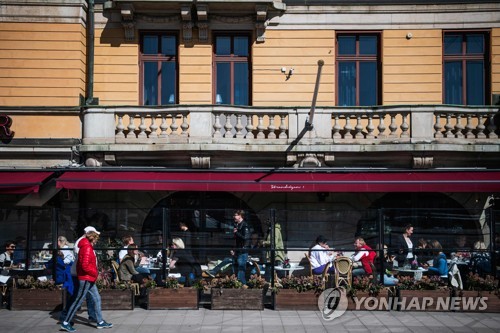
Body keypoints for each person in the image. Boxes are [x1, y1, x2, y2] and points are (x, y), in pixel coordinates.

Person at [60, 228, 113, 332]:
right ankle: (66, 322)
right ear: (92, 238)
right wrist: (95, 273)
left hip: (88, 278)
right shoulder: (87, 247)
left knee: (97, 298)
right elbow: (84, 266)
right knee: (78, 300)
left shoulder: (86, 246)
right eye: (96, 238)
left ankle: (100, 322)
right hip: (86, 278)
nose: (97, 241)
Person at [60, 227, 97, 324]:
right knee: (77, 297)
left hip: (84, 274)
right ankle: (65, 318)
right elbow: (83, 261)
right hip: (81, 274)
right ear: (89, 233)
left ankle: (93, 316)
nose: (96, 238)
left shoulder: (84, 242)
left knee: (90, 296)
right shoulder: (81, 243)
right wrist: (93, 272)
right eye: (94, 234)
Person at [232, 210, 251, 284]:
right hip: (238, 250)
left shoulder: (245, 225)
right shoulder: (237, 225)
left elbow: (245, 238)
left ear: (240, 216)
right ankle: (240, 287)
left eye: (236, 215)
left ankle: (243, 287)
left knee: (241, 271)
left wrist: (236, 232)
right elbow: (237, 240)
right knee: (237, 270)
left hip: (243, 251)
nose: (234, 217)